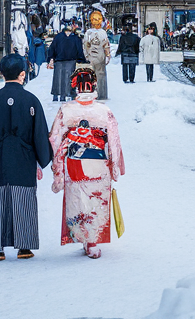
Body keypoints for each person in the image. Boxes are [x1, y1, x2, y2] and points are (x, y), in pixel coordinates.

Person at [0, 54, 53, 261]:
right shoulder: (31, 100)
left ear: (2, 75)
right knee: (24, 198)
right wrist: (42, 159)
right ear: (22, 74)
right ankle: (24, 246)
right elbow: (40, 133)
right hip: (24, 156)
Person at [49, 66, 124, 259]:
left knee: (79, 200)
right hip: (99, 161)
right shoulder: (104, 110)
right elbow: (114, 141)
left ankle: (85, 239)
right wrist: (116, 166)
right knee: (96, 200)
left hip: (74, 161)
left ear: (75, 87)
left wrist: (57, 169)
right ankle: (92, 242)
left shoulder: (66, 110)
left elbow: (54, 139)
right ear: (93, 86)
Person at [47, 19, 85, 102]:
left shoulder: (58, 37)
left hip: (59, 60)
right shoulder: (75, 38)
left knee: (58, 78)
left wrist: (50, 58)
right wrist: (81, 59)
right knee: (69, 78)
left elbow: (52, 48)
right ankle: (69, 94)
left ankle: (56, 95)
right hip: (71, 60)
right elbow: (79, 50)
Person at [83, 10, 111, 101]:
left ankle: (90, 93)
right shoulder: (103, 32)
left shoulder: (88, 33)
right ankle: (102, 94)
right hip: (100, 57)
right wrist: (108, 55)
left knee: (90, 76)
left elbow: (85, 44)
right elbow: (106, 45)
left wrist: (86, 55)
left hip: (91, 56)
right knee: (101, 75)